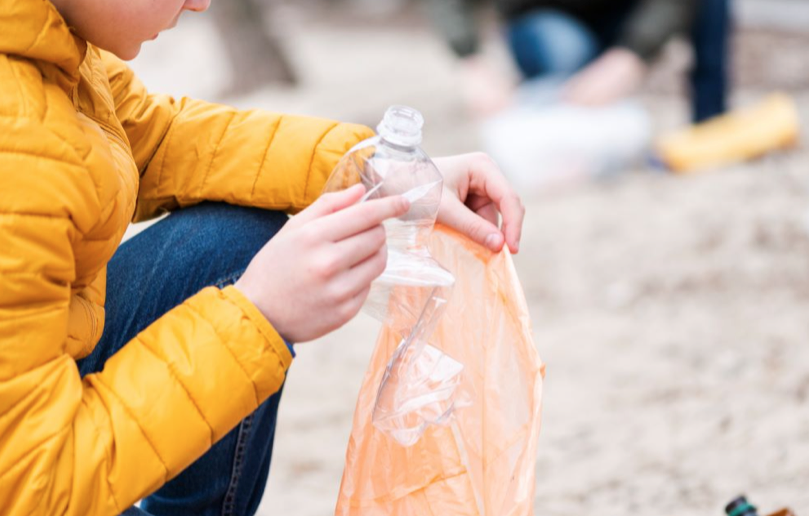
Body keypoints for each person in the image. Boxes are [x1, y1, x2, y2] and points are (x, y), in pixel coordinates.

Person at [0, 0, 525, 515]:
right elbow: (32, 489)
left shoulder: (50, 38)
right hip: (31, 480)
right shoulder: (15, 144)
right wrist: (257, 314)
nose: (200, 4)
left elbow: (155, 140)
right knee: (240, 275)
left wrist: (379, 171)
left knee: (228, 243)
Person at [426, 0, 731, 123]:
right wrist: (470, 60)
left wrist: (635, 52)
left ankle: (710, 120)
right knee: (566, 53)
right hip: (544, 17)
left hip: (621, 15)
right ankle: (554, 111)